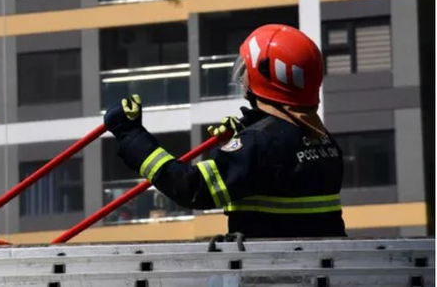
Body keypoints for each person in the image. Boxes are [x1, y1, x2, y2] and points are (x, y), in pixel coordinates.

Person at [104, 24, 346, 238]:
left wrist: (131, 135)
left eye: (245, 70)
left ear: (263, 76)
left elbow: (193, 188)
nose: (242, 77)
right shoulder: (323, 140)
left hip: (273, 271)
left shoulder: (257, 144)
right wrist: (248, 129)